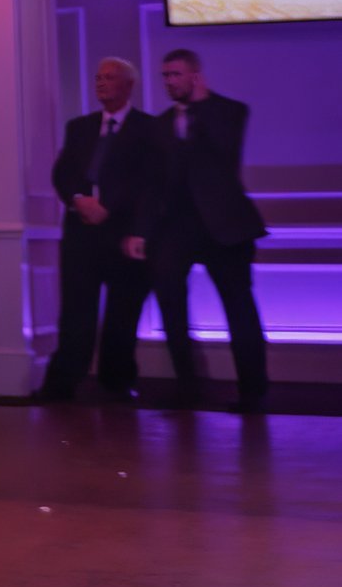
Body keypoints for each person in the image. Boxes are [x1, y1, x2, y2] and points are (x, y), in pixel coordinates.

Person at [131, 49, 269, 411]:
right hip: (175, 229)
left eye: (176, 74)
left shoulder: (229, 111)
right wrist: (141, 231)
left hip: (225, 227)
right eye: (165, 75)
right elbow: (151, 184)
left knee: (239, 309)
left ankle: (253, 392)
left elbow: (226, 153)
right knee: (171, 307)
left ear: (195, 76)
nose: (169, 81)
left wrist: (202, 105)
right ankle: (187, 387)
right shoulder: (159, 126)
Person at [36, 58, 156, 404]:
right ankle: (63, 383)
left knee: (123, 313)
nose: (101, 83)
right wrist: (78, 200)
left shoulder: (148, 128)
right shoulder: (80, 127)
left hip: (124, 234)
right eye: (98, 77)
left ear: (128, 85)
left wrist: (108, 206)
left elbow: (148, 181)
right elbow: (63, 173)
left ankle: (116, 383)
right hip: (81, 232)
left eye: (109, 78)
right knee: (76, 311)